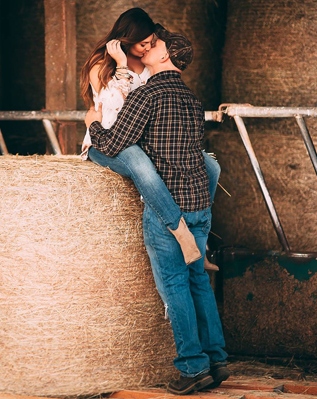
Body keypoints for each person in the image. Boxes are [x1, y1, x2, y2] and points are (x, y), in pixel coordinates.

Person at [84, 24, 229, 395]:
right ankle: (217, 359)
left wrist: (93, 124)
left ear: (164, 55)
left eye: (155, 43)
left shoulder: (147, 95)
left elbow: (116, 143)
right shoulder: (193, 101)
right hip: (199, 204)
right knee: (197, 280)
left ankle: (193, 368)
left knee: (175, 285)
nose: (148, 45)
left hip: (170, 210)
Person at [79, 8, 220, 269]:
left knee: (211, 165)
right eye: (142, 43)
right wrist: (120, 64)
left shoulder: (146, 64)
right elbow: (115, 109)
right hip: (104, 141)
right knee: (142, 165)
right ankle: (181, 234)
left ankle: (202, 240)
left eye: (150, 43)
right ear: (125, 39)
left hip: (135, 140)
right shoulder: (100, 66)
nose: (146, 48)